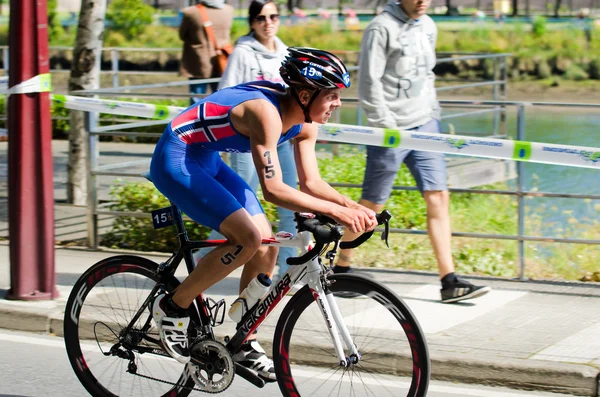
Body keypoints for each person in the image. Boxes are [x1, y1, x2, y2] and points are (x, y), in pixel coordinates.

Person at [149, 47, 377, 381]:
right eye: (330, 95)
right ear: (303, 93)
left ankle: (243, 343)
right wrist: (335, 212)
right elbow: (273, 189)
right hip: (178, 157)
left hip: (207, 158)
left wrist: (354, 208)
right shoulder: (266, 114)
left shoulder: (305, 122)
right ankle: (174, 305)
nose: (338, 103)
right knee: (249, 238)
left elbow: (311, 183)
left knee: (267, 243)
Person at [335, 0, 491, 304]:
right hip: (391, 130)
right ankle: (341, 268)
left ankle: (449, 281)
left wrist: (432, 112)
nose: (422, 1)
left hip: (425, 126)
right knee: (371, 205)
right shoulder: (381, 28)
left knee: (438, 196)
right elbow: (368, 82)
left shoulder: (428, 25)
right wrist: (387, 127)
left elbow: (428, 73)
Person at [204, 0, 298, 283]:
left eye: (273, 16)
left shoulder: (286, 53)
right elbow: (225, 95)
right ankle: (201, 259)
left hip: (281, 137)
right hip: (246, 139)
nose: (268, 22)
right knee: (238, 203)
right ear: (252, 22)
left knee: (289, 204)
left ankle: (288, 271)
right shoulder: (243, 52)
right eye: (260, 18)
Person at [178, 0, 234, 104]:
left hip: (199, 63)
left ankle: (198, 120)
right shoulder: (229, 10)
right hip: (222, 61)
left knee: (197, 101)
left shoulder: (191, 12)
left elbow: (182, 35)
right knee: (221, 100)